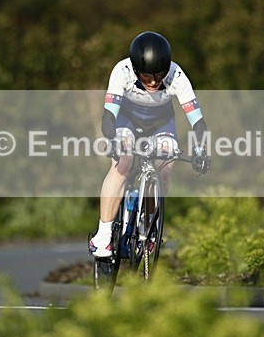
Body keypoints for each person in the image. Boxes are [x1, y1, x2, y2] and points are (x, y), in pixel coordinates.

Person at [89, 31, 211, 257]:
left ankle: (150, 221)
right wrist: (113, 141)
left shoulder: (177, 75)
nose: (154, 81)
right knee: (123, 161)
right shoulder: (121, 71)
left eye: (159, 75)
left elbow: (198, 121)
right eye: (146, 77)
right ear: (136, 70)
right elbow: (108, 117)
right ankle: (104, 233)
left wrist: (201, 149)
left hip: (161, 124)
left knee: (166, 164)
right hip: (127, 120)